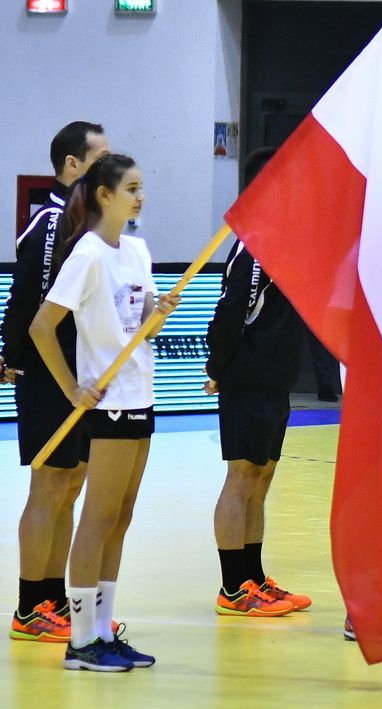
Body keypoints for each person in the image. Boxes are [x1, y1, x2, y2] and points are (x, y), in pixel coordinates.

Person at [30, 153, 178, 671]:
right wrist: (72, 388)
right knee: (98, 517)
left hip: (142, 395)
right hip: (110, 403)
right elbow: (41, 327)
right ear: (104, 195)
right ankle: (80, 641)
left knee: (122, 515)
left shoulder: (136, 249)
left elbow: (143, 326)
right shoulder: (88, 254)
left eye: (141, 187)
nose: (140, 197)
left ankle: (104, 630)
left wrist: (159, 314)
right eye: (131, 188)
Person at [4, 121, 108, 642]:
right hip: (48, 375)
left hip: (82, 375)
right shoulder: (50, 223)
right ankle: (28, 608)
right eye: (100, 159)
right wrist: (10, 355)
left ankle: (52, 599)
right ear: (73, 165)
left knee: (71, 485)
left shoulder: (90, 225)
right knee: (49, 486)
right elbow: (28, 298)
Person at [205, 148, 311, 618]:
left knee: (261, 478)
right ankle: (233, 588)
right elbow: (231, 311)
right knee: (241, 476)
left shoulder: (287, 244)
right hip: (248, 379)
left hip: (275, 381)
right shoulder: (253, 247)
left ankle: (254, 575)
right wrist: (218, 366)